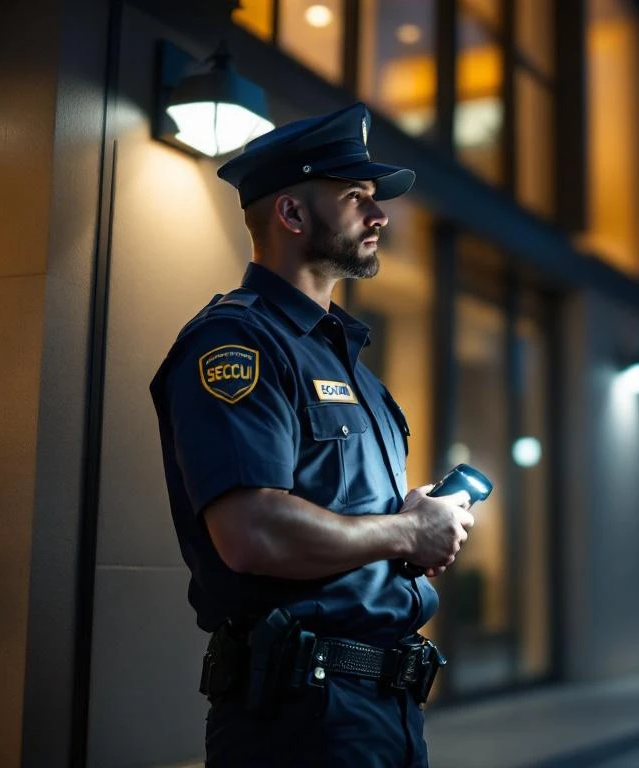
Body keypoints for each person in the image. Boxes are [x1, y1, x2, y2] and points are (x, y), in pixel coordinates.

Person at [149, 102, 476, 767]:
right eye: (356, 198)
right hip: (301, 721)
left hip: (386, 709)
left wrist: (411, 519)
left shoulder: (349, 366)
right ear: (292, 216)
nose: (379, 214)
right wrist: (408, 532)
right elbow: (255, 533)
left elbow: (341, 520)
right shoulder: (236, 342)